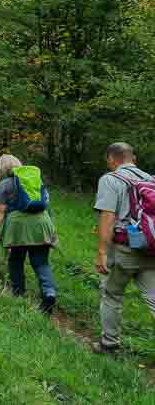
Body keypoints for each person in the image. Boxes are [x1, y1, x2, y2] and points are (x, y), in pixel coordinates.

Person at [93, 142, 155, 353]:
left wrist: (101, 252)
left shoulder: (110, 180)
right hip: (151, 248)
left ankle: (109, 344)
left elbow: (108, 216)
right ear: (133, 158)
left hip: (124, 250)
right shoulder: (151, 179)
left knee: (112, 294)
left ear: (111, 159)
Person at [0, 154, 58, 314]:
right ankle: (49, 292)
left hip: (18, 227)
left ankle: (18, 294)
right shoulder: (36, 180)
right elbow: (46, 204)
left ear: (1, 168)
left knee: (16, 260)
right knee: (41, 262)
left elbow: (0, 210)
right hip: (42, 223)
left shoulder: (5, 184)